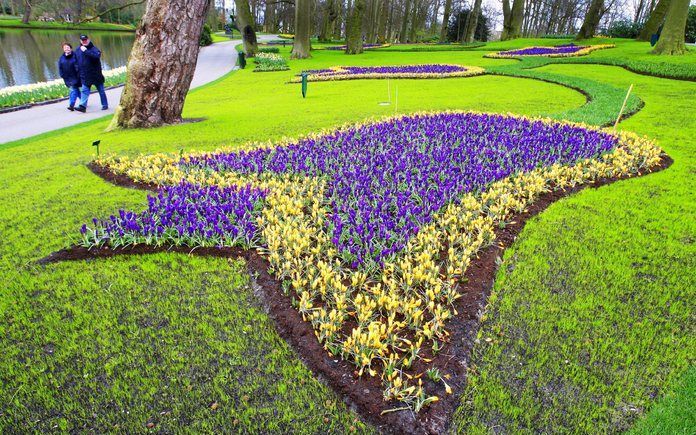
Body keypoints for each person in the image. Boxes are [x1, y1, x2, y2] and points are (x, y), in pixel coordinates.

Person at [74, 34, 108, 112]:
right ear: (80, 41)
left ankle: (104, 104)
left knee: (101, 91)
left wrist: (86, 51)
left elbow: (96, 57)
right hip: (85, 76)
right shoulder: (77, 51)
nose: (84, 41)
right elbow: (76, 62)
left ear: (88, 40)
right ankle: (82, 106)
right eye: (83, 40)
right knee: (84, 91)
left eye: (85, 40)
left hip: (96, 75)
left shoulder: (94, 49)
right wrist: (78, 71)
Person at [58, 43, 81, 111]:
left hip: (75, 77)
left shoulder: (75, 56)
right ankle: (83, 101)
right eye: (65, 48)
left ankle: (71, 105)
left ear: (71, 48)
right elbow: (60, 67)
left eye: (68, 47)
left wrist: (78, 74)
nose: (66, 49)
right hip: (67, 78)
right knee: (76, 90)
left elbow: (78, 65)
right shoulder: (61, 58)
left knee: (73, 90)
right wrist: (62, 75)